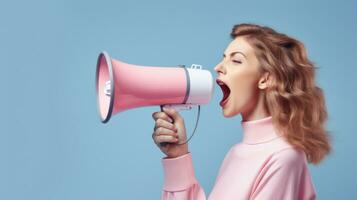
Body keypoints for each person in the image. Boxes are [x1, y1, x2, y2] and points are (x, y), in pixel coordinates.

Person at [151, 23, 332, 200]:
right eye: (223, 58)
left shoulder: (284, 157)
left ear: (265, 79)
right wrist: (178, 155)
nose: (218, 67)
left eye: (236, 60)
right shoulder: (236, 153)